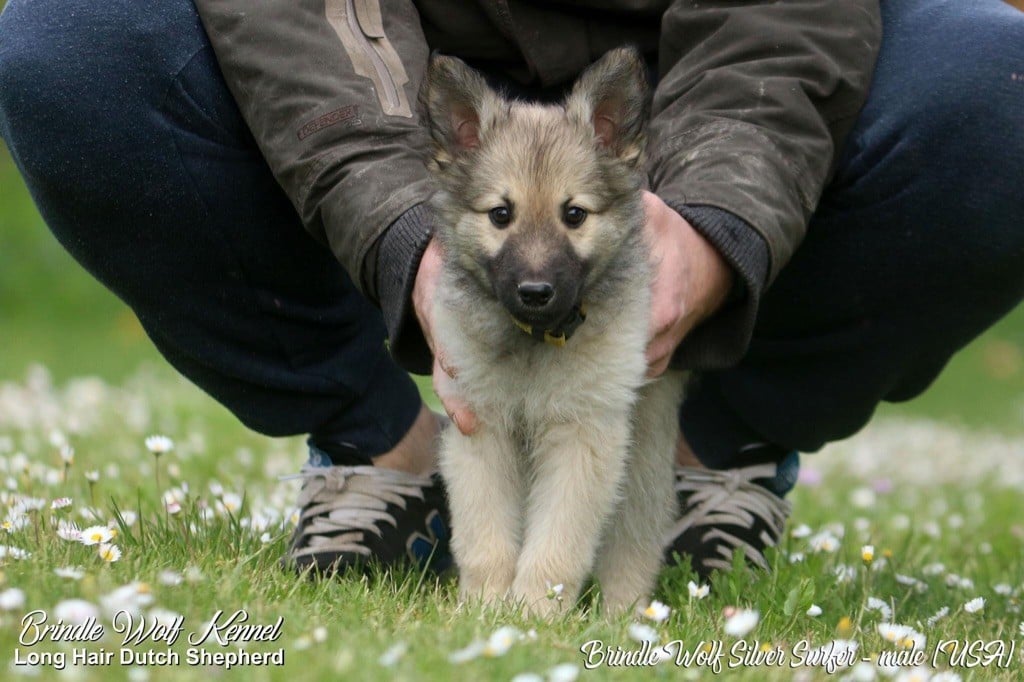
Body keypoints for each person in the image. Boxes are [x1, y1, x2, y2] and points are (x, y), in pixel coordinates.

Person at [1, 0, 1021, 580]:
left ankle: (705, 455)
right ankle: (385, 454)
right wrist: (401, 226)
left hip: (687, 76)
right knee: (72, 47)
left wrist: (718, 221)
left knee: (999, 92)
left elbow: (783, 22)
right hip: (396, 71)